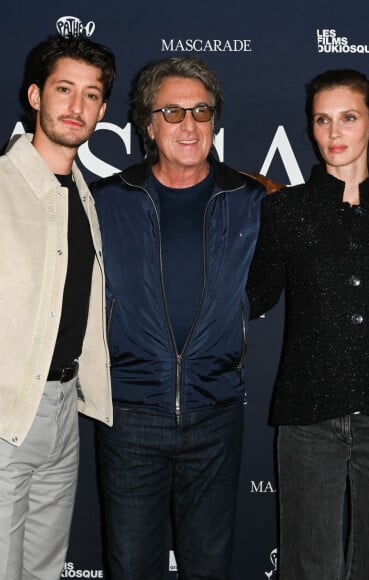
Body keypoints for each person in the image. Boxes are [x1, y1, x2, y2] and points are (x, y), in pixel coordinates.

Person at [92, 57, 269, 580]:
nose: (188, 124)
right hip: (129, 412)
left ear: (215, 120)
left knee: (209, 567)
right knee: (129, 567)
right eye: (171, 112)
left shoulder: (253, 200)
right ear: (148, 124)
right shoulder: (107, 201)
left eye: (200, 110)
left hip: (216, 412)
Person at [247, 69, 369, 580]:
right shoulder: (286, 210)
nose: (334, 133)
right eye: (322, 120)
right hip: (308, 413)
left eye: (348, 118)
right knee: (308, 567)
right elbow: (255, 297)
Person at [0, 34, 116, 579]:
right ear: (35, 96)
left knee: (44, 570)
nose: (76, 106)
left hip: (65, 409)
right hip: (6, 415)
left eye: (91, 95)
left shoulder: (83, 194)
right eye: (64, 89)